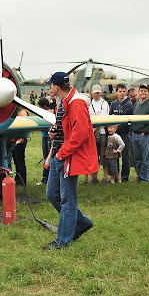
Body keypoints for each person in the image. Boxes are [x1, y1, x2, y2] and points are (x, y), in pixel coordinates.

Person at [42, 72, 96, 249]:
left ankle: (63, 240)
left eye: (51, 85)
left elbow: (80, 134)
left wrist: (61, 153)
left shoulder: (77, 103)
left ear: (56, 87)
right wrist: (55, 132)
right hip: (60, 154)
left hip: (67, 157)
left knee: (67, 200)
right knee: (52, 194)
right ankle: (82, 223)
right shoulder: (63, 102)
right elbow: (65, 128)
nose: (50, 88)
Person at [130, 84, 149, 183]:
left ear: (148, 93)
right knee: (137, 158)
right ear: (139, 92)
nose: (143, 93)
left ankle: (145, 179)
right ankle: (139, 177)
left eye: (145, 91)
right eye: (141, 91)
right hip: (135, 135)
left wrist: (145, 132)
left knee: (146, 158)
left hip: (145, 135)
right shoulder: (137, 104)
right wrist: (133, 131)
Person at [109, 83, 134, 182]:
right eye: (120, 91)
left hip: (124, 133)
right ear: (116, 92)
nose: (122, 93)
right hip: (115, 134)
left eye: (124, 91)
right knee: (114, 156)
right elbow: (110, 117)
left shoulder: (128, 104)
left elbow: (125, 120)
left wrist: (117, 120)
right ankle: (116, 176)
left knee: (125, 157)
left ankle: (125, 177)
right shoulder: (113, 104)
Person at [88, 84, 109, 184]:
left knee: (103, 155)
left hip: (101, 132)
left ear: (100, 93)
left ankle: (105, 177)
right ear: (91, 92)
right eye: (94, 92)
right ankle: (93, 177)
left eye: (98, 92)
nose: (96, 94)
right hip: (91, 133)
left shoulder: (104, 104)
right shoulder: (89, 103)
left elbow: (104, 119)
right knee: (93, 155)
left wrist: (95, 127)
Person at [36, 97, 52, 185]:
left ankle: (48, 177)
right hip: (44, 136)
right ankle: (45, 177)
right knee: (45, 157)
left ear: (45, 106)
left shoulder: (49, 112)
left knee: (48, 158)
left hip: (48, 137)